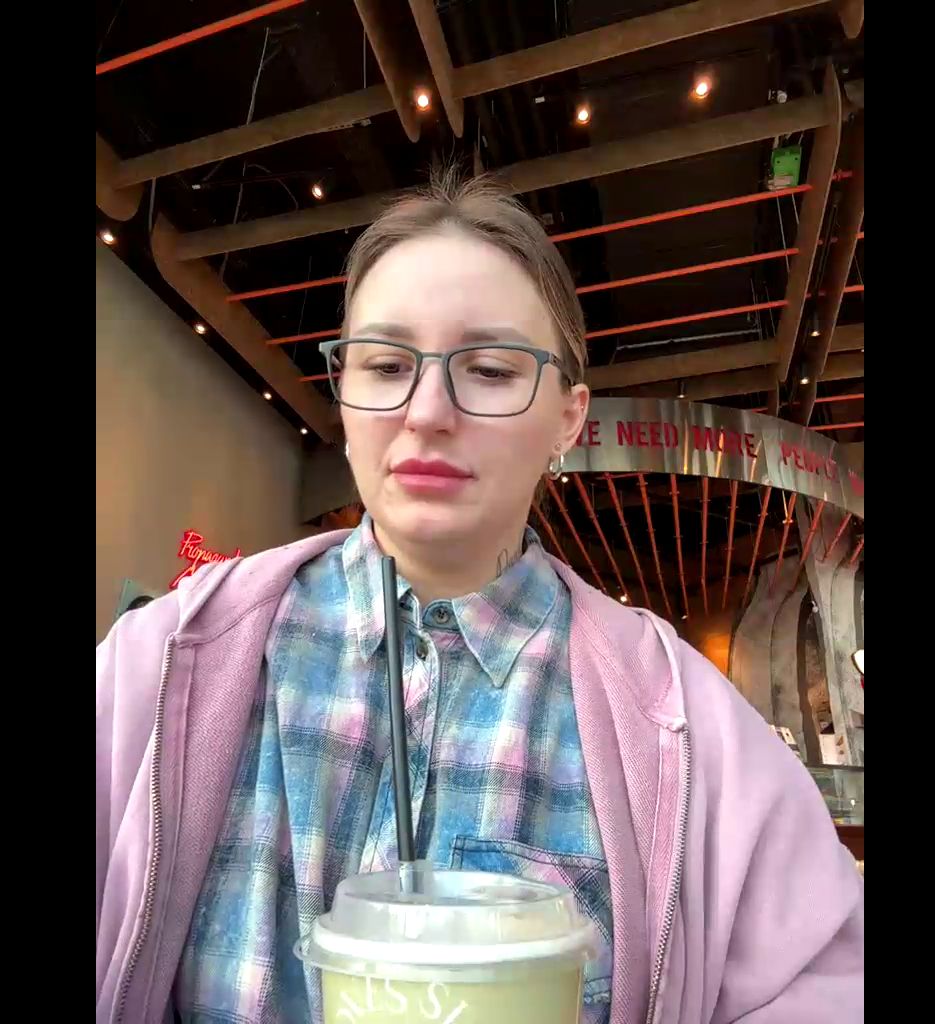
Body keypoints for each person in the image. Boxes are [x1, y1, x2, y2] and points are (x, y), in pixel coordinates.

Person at [96, 169, 863, 1024]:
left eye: (492, 370)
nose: (426, 411)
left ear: (569, 418)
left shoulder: (684, 724)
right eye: (386, 365)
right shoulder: (164, 664)